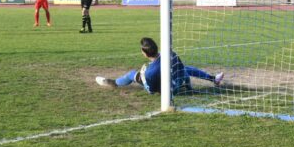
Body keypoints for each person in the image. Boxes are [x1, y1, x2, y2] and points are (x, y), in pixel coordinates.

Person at [95, 37, 224, 93]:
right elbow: (182, 69)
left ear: (145, 54)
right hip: (179, 82)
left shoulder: (150, 71)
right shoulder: (170, 54)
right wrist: (187, 83)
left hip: (169, 90)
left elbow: (151, 91)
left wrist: (144, 78)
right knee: (186, 68)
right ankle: (213, 79)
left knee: (132, 74)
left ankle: (113, 83)